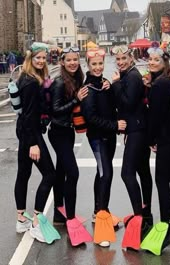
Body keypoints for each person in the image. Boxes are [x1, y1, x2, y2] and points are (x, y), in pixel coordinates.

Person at [140, 46, 170, 256]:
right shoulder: (164, 81)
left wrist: (151, 139)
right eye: (150, 59)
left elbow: (155, 116)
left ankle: (165, 226)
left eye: (156, 60)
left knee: (161, 181)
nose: (151, 62)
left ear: (164, 63)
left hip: (168, 137)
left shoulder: (160, 84)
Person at [15, 42, 60, 244]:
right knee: (50, 174)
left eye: (43, 58)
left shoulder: (25, 77)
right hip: (30, 133)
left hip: (23, 131)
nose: (41, 61)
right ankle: (35, 221)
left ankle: (21, 219)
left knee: (23, 174)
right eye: (38, 58)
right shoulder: (32, 83)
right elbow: (30, 115)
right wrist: (33, 143)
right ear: (30, 59)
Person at [81, 48, 126, 247]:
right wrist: (115, 125)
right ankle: (102, 222)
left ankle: (98, 211)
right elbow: (91, 118)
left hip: (108, 137)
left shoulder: (103, 83)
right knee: (105, 174)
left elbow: (111, 107)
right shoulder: (89, 88)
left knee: (103, 175)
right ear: (88, 67)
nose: (98, 68)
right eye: (94, 65)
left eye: (100, 64)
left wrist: (114, 84)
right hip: (98, 138)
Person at [48, 47, 92, 246]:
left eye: (76, 59)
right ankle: (71, 218)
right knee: (72, 173)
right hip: (58, 132)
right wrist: (76, 99)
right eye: (69, 60)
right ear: (62, 62)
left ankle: (59, 212)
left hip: (66, 131)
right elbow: (55, 111)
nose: (73, 63)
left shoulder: (75, 79)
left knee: (61, 171)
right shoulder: (59, 82)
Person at [111, 45, 153, 250]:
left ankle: (139, 218)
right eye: (117, 59)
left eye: (123, 58)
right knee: (142, 171)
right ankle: (146, 213)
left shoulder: (132, 76)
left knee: (127, 174)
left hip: (138, 130)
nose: (120, 62)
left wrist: (116, 84)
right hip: (136, 129)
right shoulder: (129, 74)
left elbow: (127, 103)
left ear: (130, 58)